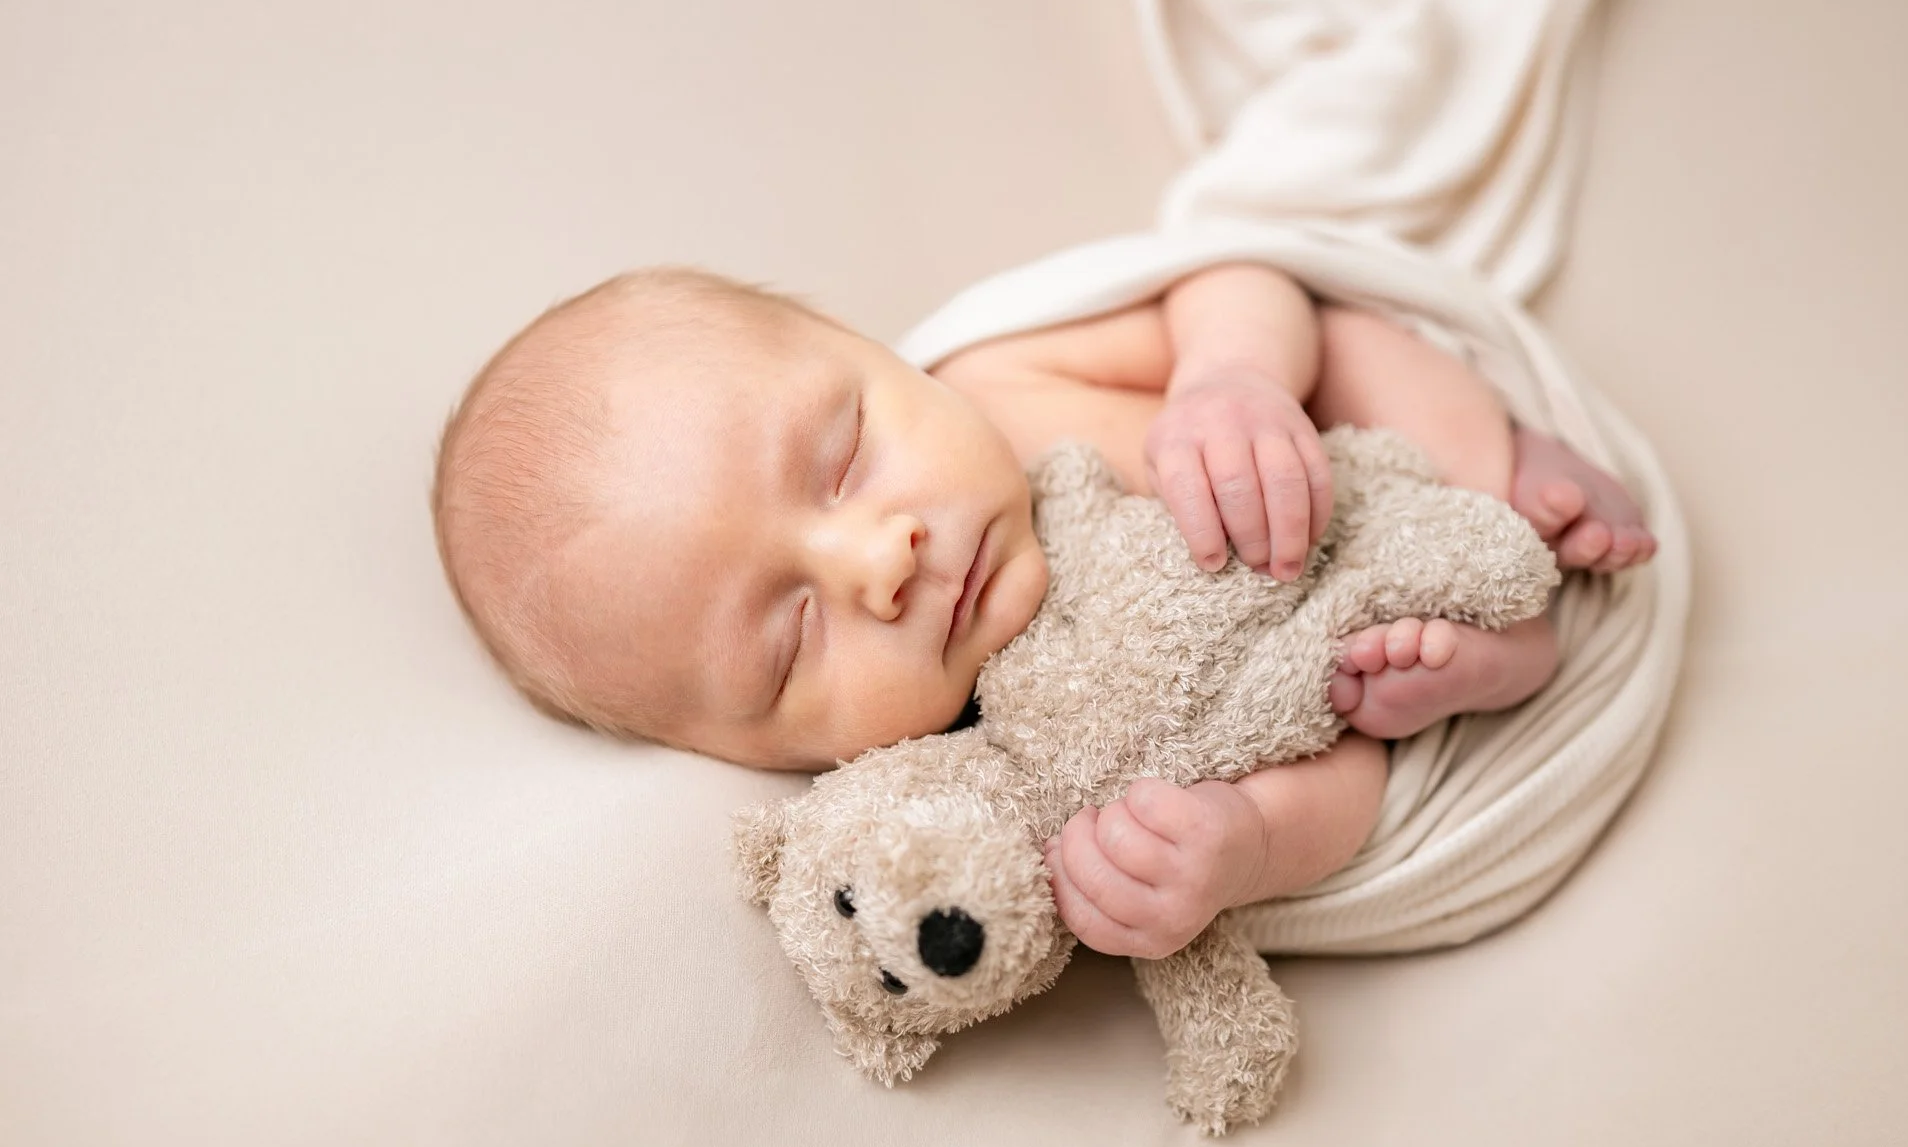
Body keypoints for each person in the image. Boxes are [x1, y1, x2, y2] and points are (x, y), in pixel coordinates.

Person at [432, 262, 1655, 959]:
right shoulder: (1000, 762)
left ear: (879, 356)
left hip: (1359, 461)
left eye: (844, 454)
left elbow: (1232, 275)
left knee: (1351, 341)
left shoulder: (1002, 382)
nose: (879, 563)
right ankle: (1496, 660)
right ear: (760, 756)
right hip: (1321, 666)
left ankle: (1497, 474)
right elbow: (1318, 772)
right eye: (793, 636)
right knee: (1292, 769)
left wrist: (1226, 376)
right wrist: (1223, 852)